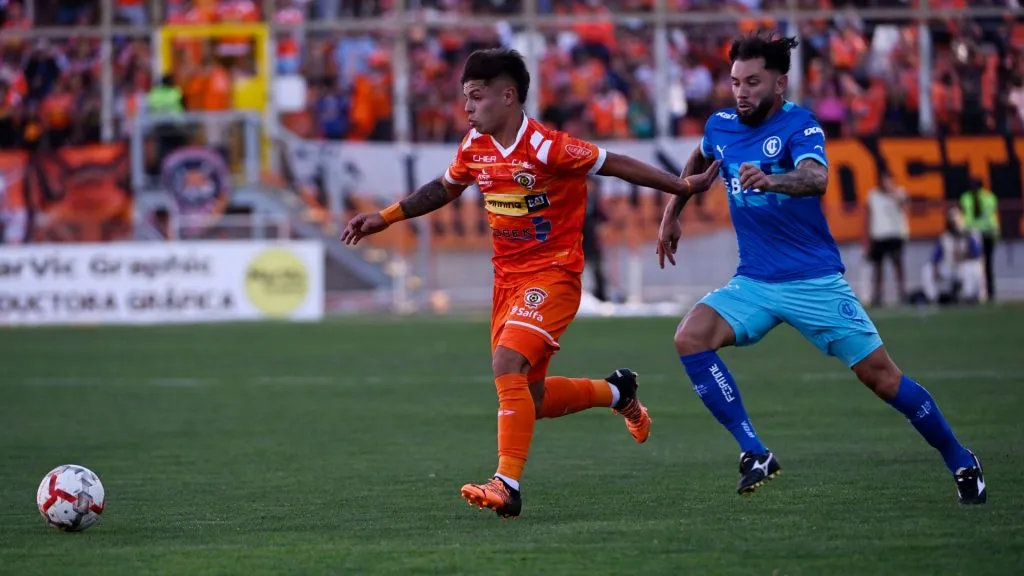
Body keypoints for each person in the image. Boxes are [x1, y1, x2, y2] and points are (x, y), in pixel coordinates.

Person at [342, 48, 721, 518]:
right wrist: (386, 216)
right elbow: (444, 187)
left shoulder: (548, 146)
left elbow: (616, 162)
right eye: (465, 98)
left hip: (554, 275)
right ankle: (618, 392)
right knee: (531, 398)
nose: (467, 108)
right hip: (507, 283)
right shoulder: (474, 147)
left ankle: (507, 484)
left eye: (476, 98)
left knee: (506, 364)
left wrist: (681, 188)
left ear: (508, 96)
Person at [656, 32, 986, 505]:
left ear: (780, 83)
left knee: (882, 378)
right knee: (689, 338)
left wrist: (771, 179)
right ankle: (754, 451)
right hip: (754, 281)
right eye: (735, 82)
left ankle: (961, 460)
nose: (742, 91)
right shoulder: (721, 126)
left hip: (814, 281)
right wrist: (672, 212)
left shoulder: (800, 126)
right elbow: (701, 158)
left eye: (753, 81)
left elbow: (817, 177)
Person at [922, 207, 985, 305]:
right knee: (927, 269)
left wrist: (965, 253)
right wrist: (935, 267)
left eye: (956, 220)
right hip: (950, 268)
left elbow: (976, 254)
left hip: (964, 267)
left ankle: (967, 297)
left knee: (971, 267)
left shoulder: (970, 234)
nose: (954, 224)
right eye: (951, 221)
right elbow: (935, 256)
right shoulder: (945, 237)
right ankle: (932, 298)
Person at [866, 168, 909, 307]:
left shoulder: (900, 193)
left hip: (895, 234)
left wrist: (893, 193)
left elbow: (906, 208)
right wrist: (867, 238)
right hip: (879, 235)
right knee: (878, 267)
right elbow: (869, 217)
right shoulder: (873, 195)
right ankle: (877, 295)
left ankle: (903, 293)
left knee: (898, 265)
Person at [959, 178, 999, 302]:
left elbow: (966, 215)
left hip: (978, 233)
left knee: (981, 263)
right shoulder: (989, 197)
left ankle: (983, 292)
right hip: (986, 232)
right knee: (984, 263)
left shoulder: (968, 197)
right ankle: (986, 291)